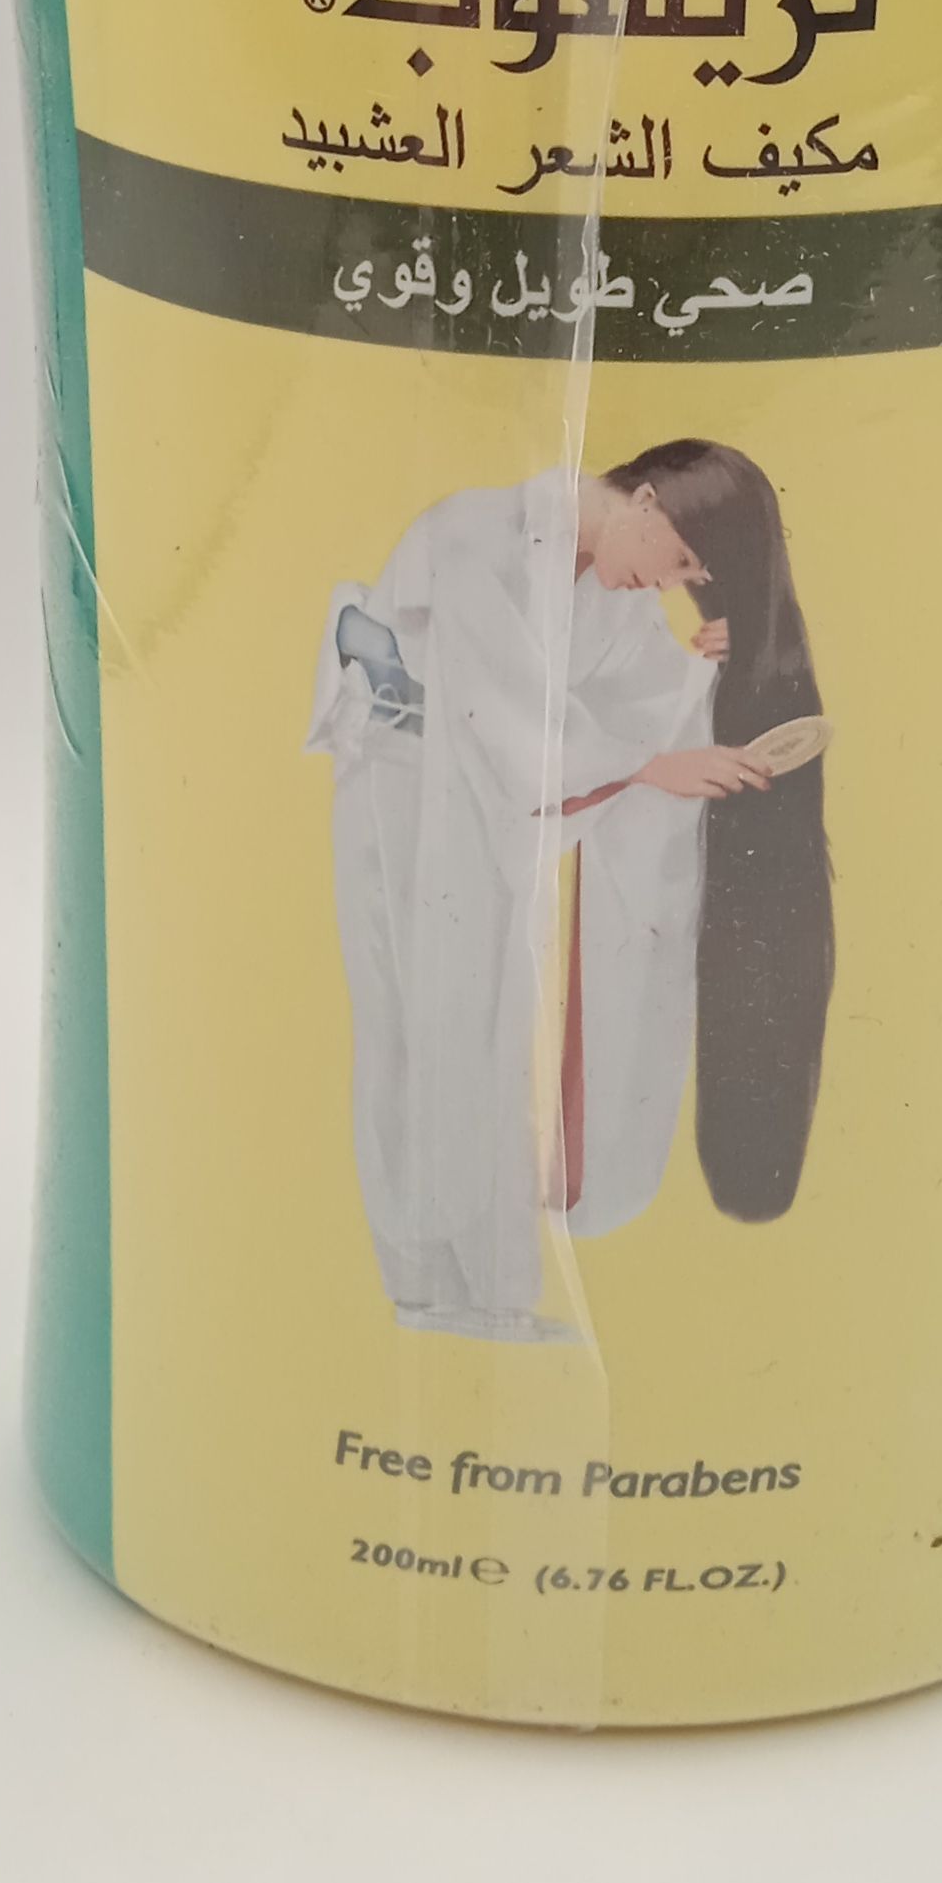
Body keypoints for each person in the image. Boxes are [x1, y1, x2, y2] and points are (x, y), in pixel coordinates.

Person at [304, 441, 829, 1341]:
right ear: (649, 501)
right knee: (418, 1029)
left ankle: (490, 1290)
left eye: (693, 578)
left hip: (478, 816)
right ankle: (424, 1286)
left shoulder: (605, 581)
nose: (671, 585)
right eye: (682, 561)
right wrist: (649, 767)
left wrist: (720, 665)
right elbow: (498, 712)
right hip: (406, 796)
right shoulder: (476, 532)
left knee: (488, 1033)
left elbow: (642, 702)